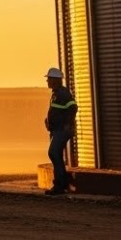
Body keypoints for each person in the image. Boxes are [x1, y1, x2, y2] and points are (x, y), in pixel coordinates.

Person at [44, 67, 78, 195]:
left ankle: (59, 185)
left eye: (49, 79)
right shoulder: (56, 93)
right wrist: (49, 122)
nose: (47, 81)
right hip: (57, 130)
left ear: (55, 80)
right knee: (56, 155)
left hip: (61, 130)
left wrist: (68, 124)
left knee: (53, 153)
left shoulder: (63, 93)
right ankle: (63, 182)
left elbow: (73, 107)